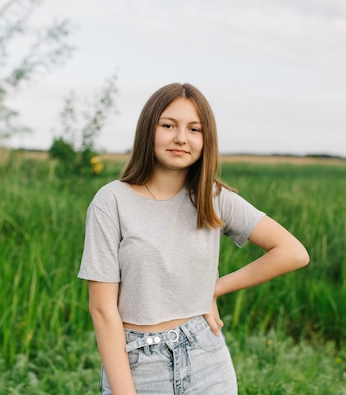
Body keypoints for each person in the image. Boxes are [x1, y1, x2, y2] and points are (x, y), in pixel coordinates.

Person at [78, 82, 309, 394]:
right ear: (149, 130)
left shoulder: (213, 197)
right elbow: (103, 311)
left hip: (206, 358)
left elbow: (293, 252)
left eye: (194, 129)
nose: (180, 138)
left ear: (206, 139)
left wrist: (213, 289)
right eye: (168, 125)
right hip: (139, 365)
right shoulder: (112, 201)